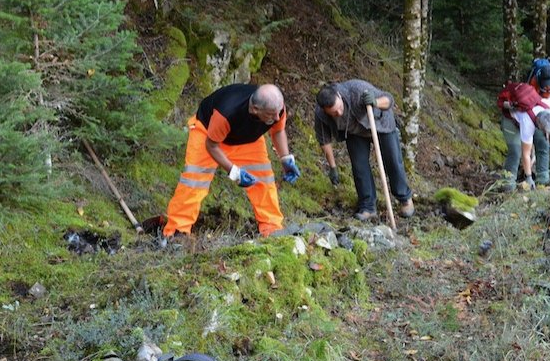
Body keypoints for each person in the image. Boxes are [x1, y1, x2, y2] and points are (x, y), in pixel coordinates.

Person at [162, 82, 300, 242]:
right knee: (194, 182)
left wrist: (285, 158)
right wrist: (234, 172)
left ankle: (272, 229)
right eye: (271, 115)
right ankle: (176, 233)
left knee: (263, 180)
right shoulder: (227, 112)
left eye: (278, 113)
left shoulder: (276, 107)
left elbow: (278, 130)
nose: (277, 118)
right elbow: (211, 146)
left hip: (247, 139)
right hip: (208, 134)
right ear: (255, 109)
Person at [314, 81, 414, 221]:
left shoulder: (357, 90)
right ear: (325, 110)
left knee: (392, 161)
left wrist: (375, 102)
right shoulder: (321, 114)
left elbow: (389, 99)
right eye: (334, 113)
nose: (339, 113)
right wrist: (333, 167)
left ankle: (405, 198)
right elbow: (324, 140)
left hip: (380, 124)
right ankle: (368, 206)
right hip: (354, 132)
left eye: (340, 108)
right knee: (359, 166)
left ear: (339, 95)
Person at [499, 82, 550, 190]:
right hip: (511, 120)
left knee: (543, 143)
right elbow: (526, 154)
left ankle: (543, 178)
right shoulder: (528, 123)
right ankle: (508, 182)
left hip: (533, 118)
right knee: (516, 150)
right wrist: (528, 177)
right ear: (540, 125)